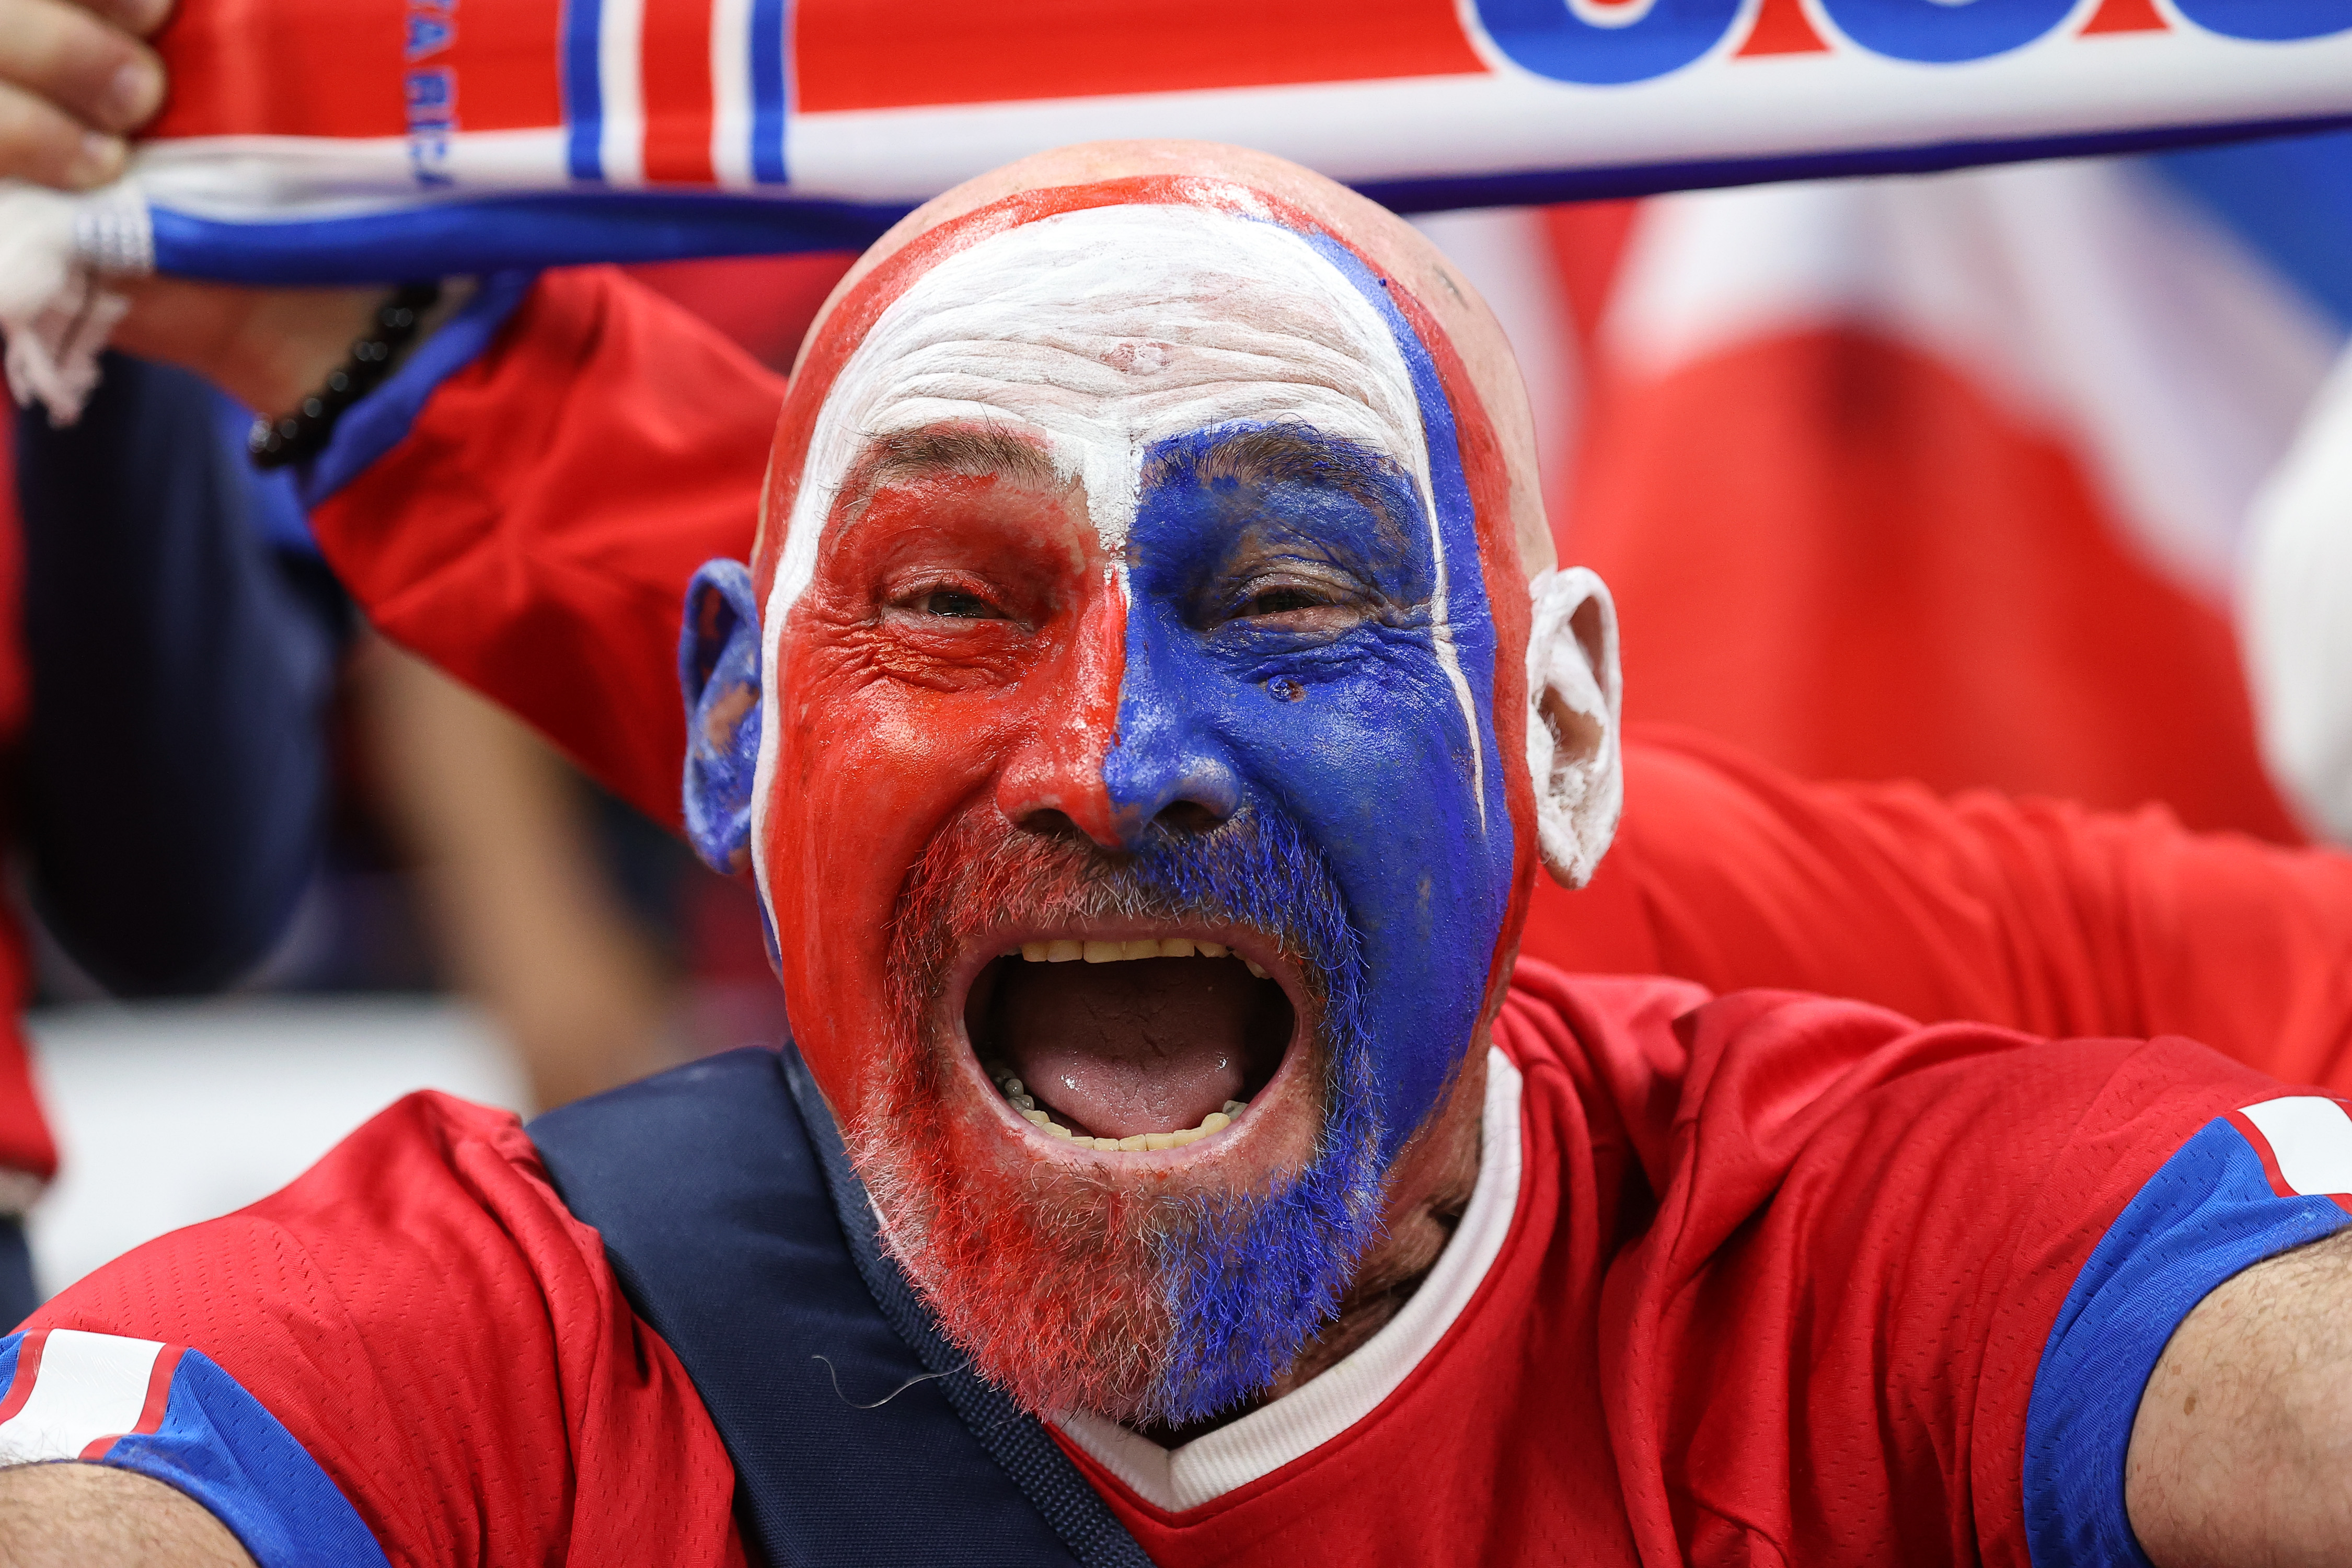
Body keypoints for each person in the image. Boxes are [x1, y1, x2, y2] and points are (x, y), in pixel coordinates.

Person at [4, 139, 2352, 1568]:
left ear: (1558, 734)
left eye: (1303, 602)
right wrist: (339, 307)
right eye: (954, 602)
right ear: (735, 718)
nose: (1118, 760)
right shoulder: (507, 1334)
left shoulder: (1846, 1244)